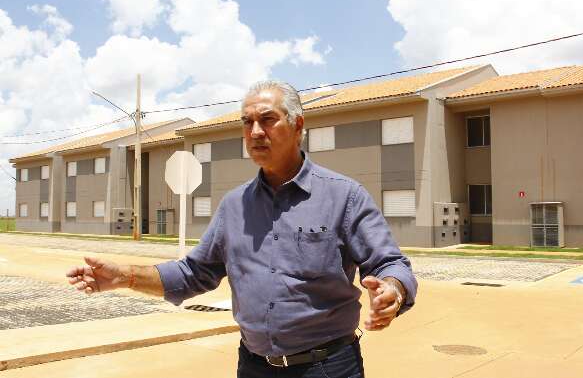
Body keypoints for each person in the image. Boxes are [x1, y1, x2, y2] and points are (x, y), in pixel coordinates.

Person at [67, 80, 418, 378]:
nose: (255, 132)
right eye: (247, 122)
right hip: (253, 366)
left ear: (298, 127)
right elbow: (194, 272)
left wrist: (392, 290)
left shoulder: (344, 196)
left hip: (326, 367)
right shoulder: (234, 206)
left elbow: (390, 263)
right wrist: (125, 277)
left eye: (268, 120)